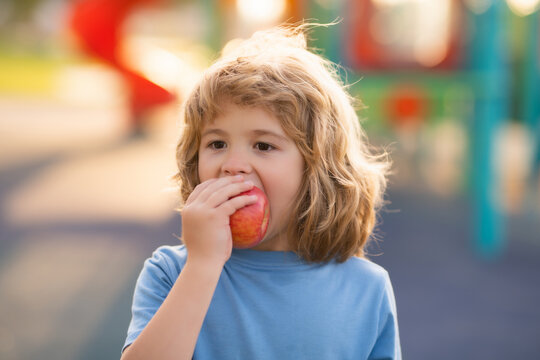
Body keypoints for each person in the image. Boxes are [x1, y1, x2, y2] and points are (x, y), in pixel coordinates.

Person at [121, 24, 400, 360]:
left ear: (316, 169)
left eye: (263, 145)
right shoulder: (171, 272)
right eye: (217, 143)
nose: (233, 164)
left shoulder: (365, 289)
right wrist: (203, 265)